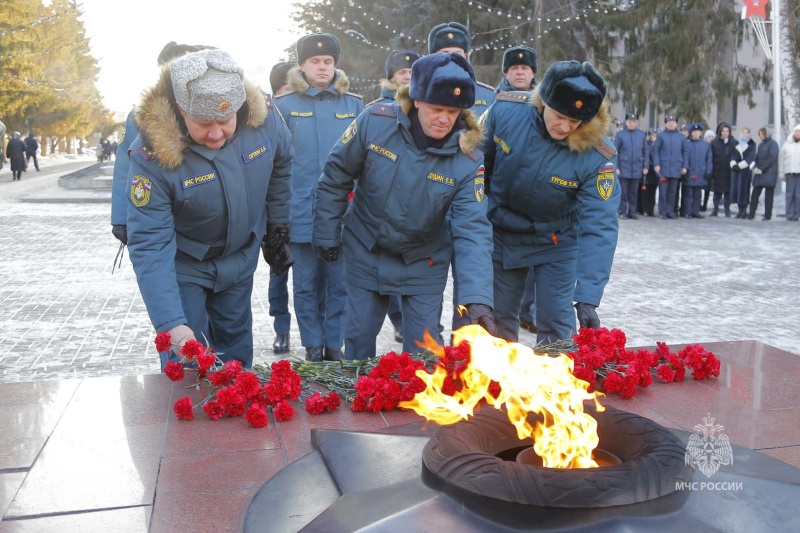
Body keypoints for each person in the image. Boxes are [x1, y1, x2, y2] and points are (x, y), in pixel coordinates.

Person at [312, 52, 495, 360]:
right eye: (437, 109)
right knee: (357, 340)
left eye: (453, 112)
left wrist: (478, 298)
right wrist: (326, 232)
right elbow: (336, 175)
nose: (444, 119)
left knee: (424, 353)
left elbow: (473, 230)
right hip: (366, 247)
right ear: (418, 99)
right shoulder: (376, 121)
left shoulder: (468, 159)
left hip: (424, 261)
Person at [126, 49, 293, 369]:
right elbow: (150, 244)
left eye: (225, 121)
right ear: (180, 109)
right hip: (185, 267)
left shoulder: (265, 119)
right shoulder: (151, 157)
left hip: (239, 260)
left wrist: (278, 225)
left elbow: (282, 162)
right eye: (203, 123)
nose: (216, 133)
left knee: (236, 358)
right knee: (189, 363)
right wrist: (171, 323)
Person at [482, 60, 619, 343]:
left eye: (575, 121)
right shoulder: (506, 110)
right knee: (496, 323)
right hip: (502, 233)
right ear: (544, 101)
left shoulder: (596, 155)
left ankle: (554, 384)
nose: (565, 126)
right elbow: (476, 170)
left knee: (557, 326)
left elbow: (600, 225)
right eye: (559, 115)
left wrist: (588, 295)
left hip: (555, 240)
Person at [275, 33, 363, 362]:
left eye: (327, 61)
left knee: (339, 285)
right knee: (305, 285)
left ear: (335, 64)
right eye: (315, 61)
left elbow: (364, 160)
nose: (322, 67)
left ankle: (334, 345)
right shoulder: (284, 107)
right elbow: (276, 164)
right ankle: (313, 346)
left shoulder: (354, 105)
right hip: (299, 212)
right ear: (302, 65)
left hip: (342, 212)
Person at [111, 41, 213, 246]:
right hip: (159, 209)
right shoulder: (141, 115)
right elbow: (125, 165)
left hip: (207, 213)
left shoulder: (218, 108)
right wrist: (121, 218)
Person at [366, 50, 421, 344]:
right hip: (382, 205)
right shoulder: (375, 110)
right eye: (402, 72)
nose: (408, 77)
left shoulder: (426, 109)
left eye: (413, 73)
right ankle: (398, 320)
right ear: (391, 77)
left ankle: (407, 323)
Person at [266, 60, 298, 355]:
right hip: (276, 212)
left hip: (301, 208)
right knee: (278, 274)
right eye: (289, 88)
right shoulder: (267, 117)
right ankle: (281, 330)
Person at [427, 22, 497, 117]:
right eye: (445, 53)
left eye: (457, 53)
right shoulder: (420, 93)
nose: (451, 58)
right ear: (433, 57)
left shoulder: (489, 96)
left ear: (465, 56)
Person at [614, 112, 649, 220]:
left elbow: (645, 152)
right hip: (624, 167)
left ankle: (632, 212)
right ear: (626, 122)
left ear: (637, 122)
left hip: (637, 168)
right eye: (630, 122)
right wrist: (616, 167)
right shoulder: (620, 135)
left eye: (634, 122)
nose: (632, 124)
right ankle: (622, 211)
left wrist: (645, 166)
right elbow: (615, 152)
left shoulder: (641, 135)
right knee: (623, 192)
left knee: (634, 192)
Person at [652, 114, 687, 219]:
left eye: (673, 122)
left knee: (673, 191)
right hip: (663, 167)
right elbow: (655, 150)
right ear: (666, 124)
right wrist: (656, 164)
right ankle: (663, 211)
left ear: (676, 124)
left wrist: (684, 166)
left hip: (676, 167)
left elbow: (685, 152)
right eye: (669, 122)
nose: (671, 124)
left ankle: (670, 211)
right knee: (663, 191)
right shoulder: (661, 135)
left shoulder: (681, 137)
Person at [748, 127, 780, 221]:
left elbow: (772, 158)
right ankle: (751, 214)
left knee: (768, 196)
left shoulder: (773, 144)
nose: (760, 136)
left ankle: (767, 215)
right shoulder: (761, 145)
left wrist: (762, 168)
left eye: (761, 134)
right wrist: (756, 167)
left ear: (767, 134)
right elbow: (757, 157)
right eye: (759, 134)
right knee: (755, 194)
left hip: (769, 173)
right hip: (759, 172)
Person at [683, 123, 712, 218]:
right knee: (688, 194)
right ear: (691, 133)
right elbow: (685, 158)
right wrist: (686, 169)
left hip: (701, 172)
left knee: (698, 194)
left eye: (698, 131)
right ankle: (688, 212)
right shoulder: (687, 144)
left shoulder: (706, 145)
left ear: (701, 132)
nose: (696, 133)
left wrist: (708, 170)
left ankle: (695, 211)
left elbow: (709, 159)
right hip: (690, 172)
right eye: (694, 132)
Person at [709, 121, 735, 217]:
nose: (725, 133)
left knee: (727, 193)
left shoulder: (733, 143)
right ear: (720, 132)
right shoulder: (714, 143)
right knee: (717, 193)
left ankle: (727, 210)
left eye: (727, 131)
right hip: (718, 171)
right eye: (723, 131)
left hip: (728, 171)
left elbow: (735, 156)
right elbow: (711, 156)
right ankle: (715, 209)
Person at [729, 127, 756, 218]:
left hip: (745, 171)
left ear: (749, 134)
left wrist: (740, 165)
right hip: (736, 170)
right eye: (743, 132)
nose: (744, 134)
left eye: (746, 133)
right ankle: (739, 210)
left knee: (744, 190)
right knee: (737, 190)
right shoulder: (737, 143)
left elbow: (750, 157)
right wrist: (733, 164)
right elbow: (733, 155)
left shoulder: (752, 144)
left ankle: (744, 210)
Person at [781, 124, 800, 222]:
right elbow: (781, 159)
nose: (797, 133)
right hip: (789, 173)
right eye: (796, 131)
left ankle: (797, 215)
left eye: (799, 132)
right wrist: (781, 172)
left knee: (798, 195)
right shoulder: (787, 144)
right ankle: (789, 214)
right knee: (789, 194)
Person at [639, 129, 659, 217]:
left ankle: (651, 209)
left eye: (655, 135)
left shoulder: (657, 145)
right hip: (646, 170)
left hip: (654, 172)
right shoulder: (646, 144)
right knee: (645, 192)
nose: (653, 136)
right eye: (652, 135)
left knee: (653, 192)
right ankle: (645, 209)